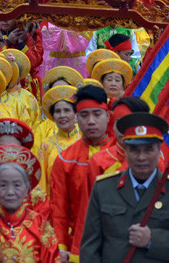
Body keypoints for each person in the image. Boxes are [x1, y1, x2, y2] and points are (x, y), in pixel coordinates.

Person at [81, 112, 169, 263]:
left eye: (148, 149)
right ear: (125, 151)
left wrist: (153, 239)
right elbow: (89, 248)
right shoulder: (104, 188)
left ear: (159, 151)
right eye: (134, 150)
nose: (141, 157)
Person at [49, 85, 114, 261]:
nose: (91, 121)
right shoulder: (65, 159)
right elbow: (59, 208)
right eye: (84, 115)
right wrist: (60, 247)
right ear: (77, 118)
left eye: (97, 114)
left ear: (108, 116)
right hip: (79, 244)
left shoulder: (121, 154)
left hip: (118, 244)